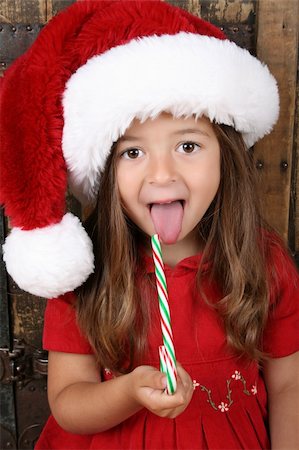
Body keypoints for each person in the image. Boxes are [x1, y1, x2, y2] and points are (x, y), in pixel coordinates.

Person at [0, 1, 298, 449]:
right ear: (107, 172)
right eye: (133, 153)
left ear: (227, 157)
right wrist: (129, 391)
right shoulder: (87, 275)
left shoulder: (263, 261)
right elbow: (68, 403)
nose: (162, 174)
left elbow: (288, 385)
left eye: (188, 146)